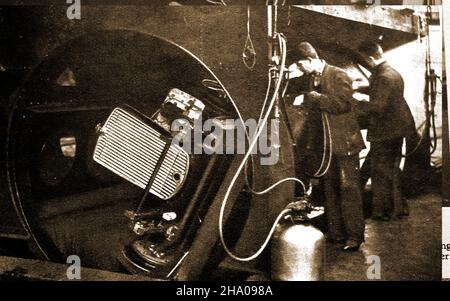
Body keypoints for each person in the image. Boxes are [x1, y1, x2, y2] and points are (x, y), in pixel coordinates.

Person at [292, 42, 366, 251]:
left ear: (310, 60)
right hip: (326, 146)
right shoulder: (311, 79)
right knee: (330, 189)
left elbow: (343, 104)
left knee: (349, 189)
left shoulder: (338, 74)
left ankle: (354, 236)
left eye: (300, 65)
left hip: (345, 144)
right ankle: (337, 233)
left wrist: (314, 98)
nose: (300, 70)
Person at [356, 41, 416, 220]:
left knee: (380, 173)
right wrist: (361, 88)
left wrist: (356, 104)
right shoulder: (389, 71)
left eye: (364, 60)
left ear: (370, 57)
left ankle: (382, 213)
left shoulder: (383, 76)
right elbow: (382, 92)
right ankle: (398, 208)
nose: (364, 63)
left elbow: (378, 106)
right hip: (395, 130)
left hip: (386, 132)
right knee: (390, 170)